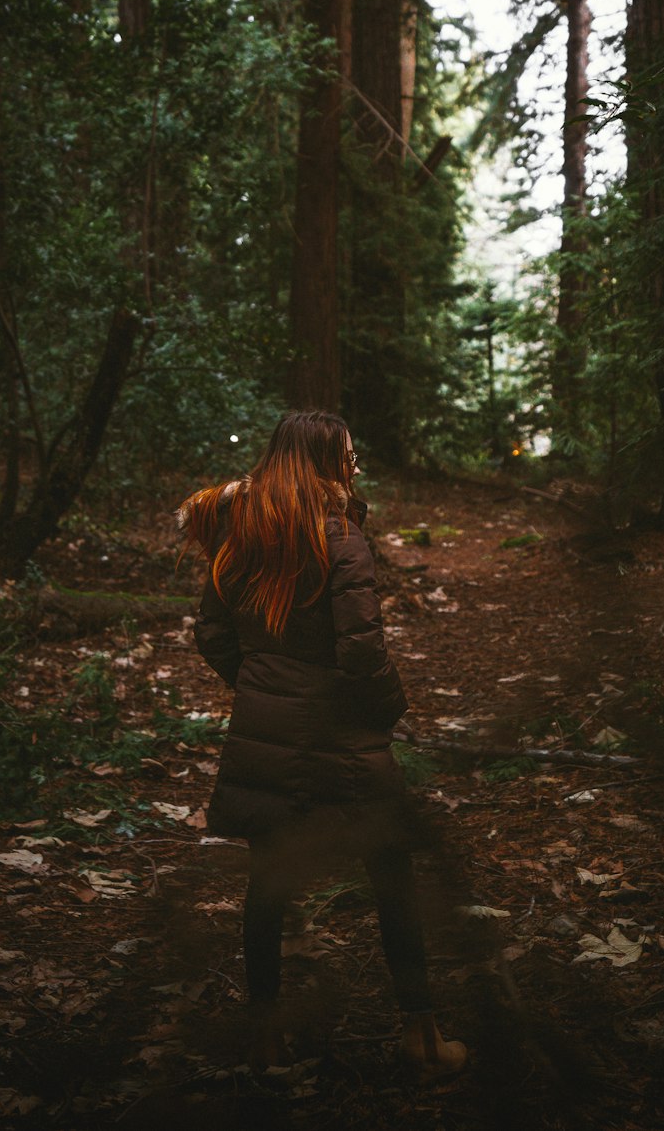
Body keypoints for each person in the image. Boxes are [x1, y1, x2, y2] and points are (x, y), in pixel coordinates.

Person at [177, 410, 466, 1080]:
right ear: (321, 463)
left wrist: (260, 689)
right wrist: (389, 712)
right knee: (392, 872)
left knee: (268, 884)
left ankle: (265, 1039)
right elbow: (362, 656)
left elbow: (211, 633)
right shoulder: (343, 539)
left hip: (267, 735)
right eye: (349, 455)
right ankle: (421, 1036)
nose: (357, 465)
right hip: (347, 740)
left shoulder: (240, 535)